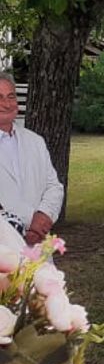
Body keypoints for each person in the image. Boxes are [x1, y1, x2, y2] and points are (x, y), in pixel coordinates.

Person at [0, 72, 63, 245]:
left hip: (37, 247)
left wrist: (44, 216)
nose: (6, 104)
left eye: (11, 96)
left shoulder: (35, 141)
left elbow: (54, 186)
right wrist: (31, 221)